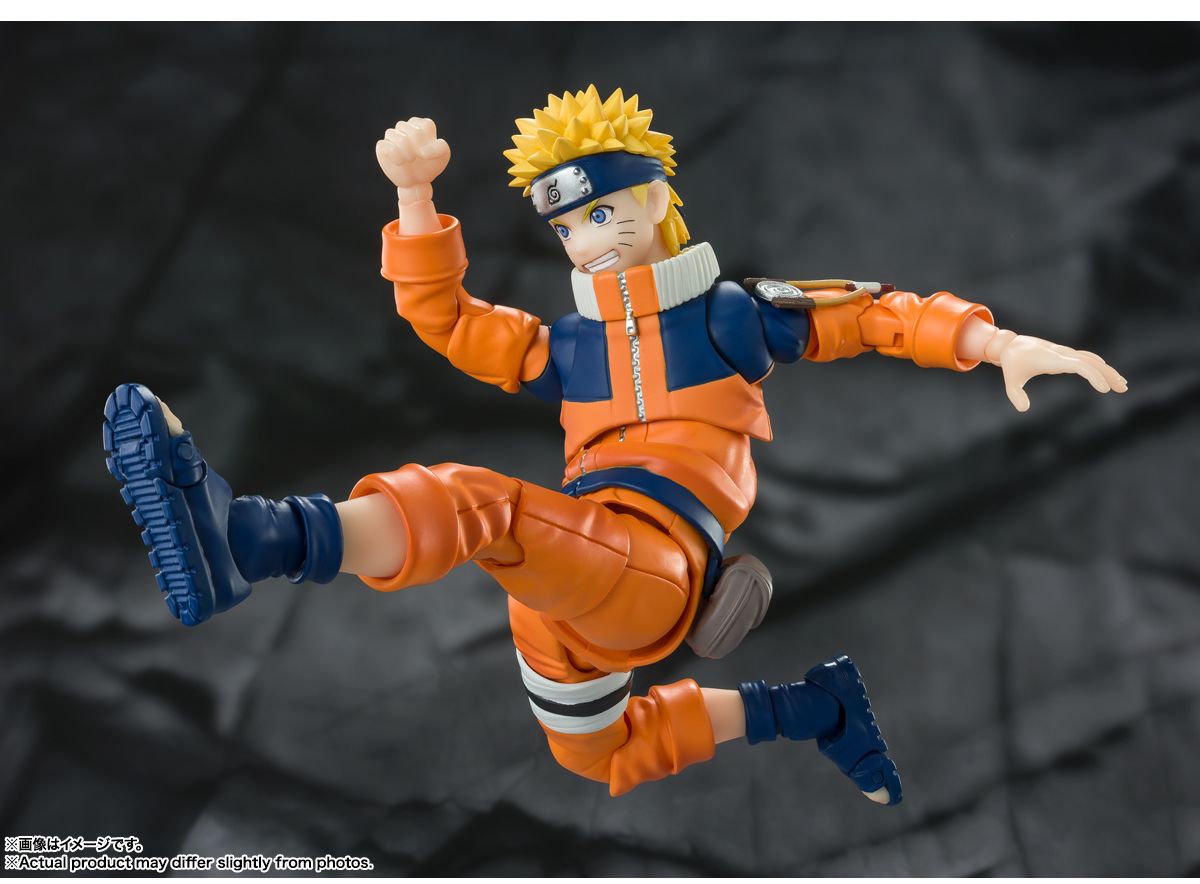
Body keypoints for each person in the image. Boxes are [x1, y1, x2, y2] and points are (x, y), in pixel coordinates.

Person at [103, 86, 1126, 802]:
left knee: (480, 505)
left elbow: (875, 316)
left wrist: (998, 343)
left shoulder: (730, 317)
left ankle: (252, 537)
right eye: (568, 230)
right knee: (601, 755)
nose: (589, 243)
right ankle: (815, 710)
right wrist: (415, 198)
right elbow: (448, 321)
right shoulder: (568, 347)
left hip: (656, 562)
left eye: (601, 213)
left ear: (654, 196)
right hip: (570, 577)